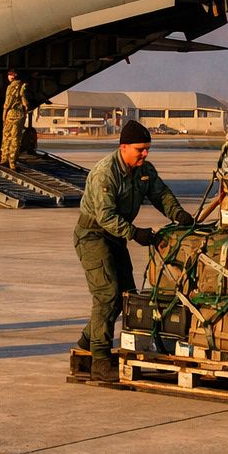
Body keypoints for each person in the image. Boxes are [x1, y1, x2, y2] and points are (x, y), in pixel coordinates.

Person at [74, 120, 194, 383]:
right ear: (124, 147)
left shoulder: (144, 170)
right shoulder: (105, 174)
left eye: (148, 149)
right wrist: (135, 233)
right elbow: (105, 217)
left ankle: (86, 343)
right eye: (140, 149)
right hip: (93, 235)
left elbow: (160, 194)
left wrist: (179, 214)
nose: (145, 154)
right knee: (107, 295)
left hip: (116, 238)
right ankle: (100, 360)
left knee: (125, 295)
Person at [0, 70, 29, 169]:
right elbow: (25, 102)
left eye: (9, 75)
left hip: (11, 114)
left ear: (12, 76)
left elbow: (8, 101)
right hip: (20, 115)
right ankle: (13, 162)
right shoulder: (23, 85)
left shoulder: (11, 86)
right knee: (16, 138)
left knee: (7, 136)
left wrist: (4, 113)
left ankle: (5, 159)